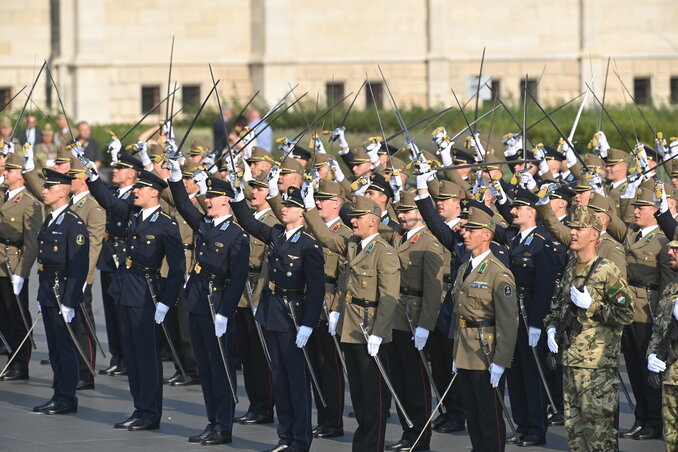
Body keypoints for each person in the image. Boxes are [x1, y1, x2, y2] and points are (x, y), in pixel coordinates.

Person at [87, 164, 185, 431]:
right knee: (132, 354)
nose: (136, 191)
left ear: (154, 193)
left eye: (140, 187)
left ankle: (150, 413)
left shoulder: (166, 224)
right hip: (125, 289)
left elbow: (177, 268)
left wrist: (167, 301)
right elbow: (107, 201)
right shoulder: (132, 213)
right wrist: (93, 177)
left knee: (147, 356)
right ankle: (139, 407)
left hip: (146, 293)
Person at [231, 183, 324, 452]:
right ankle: (285, 438)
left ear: (303, 212)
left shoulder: (309, 245)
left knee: (296, 382)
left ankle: (300, 440)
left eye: (291, 206)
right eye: (284, 205)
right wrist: (239, 198)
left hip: (294, 315)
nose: (285, 209)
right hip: (274, 312)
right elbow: (248, 222)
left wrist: (308, 323)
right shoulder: (277, 235)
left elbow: (316, 288)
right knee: (280, 379)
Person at [168, 162, 249, 446]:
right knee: (205, 367)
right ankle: (212, 421)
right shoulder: (204, 225)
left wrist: (225, 312)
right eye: (207, 196)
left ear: (226, 200)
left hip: (217, 306)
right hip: (198, 302)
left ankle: (223, 427)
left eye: (213, 197)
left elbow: (238, 278)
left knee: (221, 368)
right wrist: (177, 178)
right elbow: (182, 205)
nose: (207, 200)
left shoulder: (237, 235)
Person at [545, 206, 634, 451]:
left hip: (597, 368)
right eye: (572, 227)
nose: (572, 232)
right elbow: (557, 308)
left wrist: (592, 305)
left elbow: (626, 313)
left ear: (594, 235)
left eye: (578, 228)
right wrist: (552, 329)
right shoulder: (570, 268)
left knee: (599, 436)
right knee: (575, 434)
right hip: (570, 362)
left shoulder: (607, 269)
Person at [451, 204, 518, 452]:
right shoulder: (463, 268)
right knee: (473, 414)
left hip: (486, 352)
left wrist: (501, 361)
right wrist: (455, 353)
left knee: (489, 415)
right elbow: (459, 314)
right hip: (465, 349)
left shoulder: (498, 273)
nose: (465, 233)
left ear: (487, 234)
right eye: (465, 229)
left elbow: (509, 322)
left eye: (472, 229)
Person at [32, 168, 89, 415]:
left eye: (49, 187)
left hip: (62, 291)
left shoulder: (73, 223)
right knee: (54, 347)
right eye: (44, 187)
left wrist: (69, 300)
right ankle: (58, 392)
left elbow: (79, 265)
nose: (44, 191)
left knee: (65, 346)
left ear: (63, 191)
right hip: (48, 290)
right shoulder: (51, 218)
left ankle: (67, 397)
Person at [301, 179, 352, 439]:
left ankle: (333, 421)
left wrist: (338, 309)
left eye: (322, 199)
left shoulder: (343, 233)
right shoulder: (311, 230)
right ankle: (322, 418)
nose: (318, 202)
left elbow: (344, 277)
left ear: (336, 204)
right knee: (314, 366)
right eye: (316, 198)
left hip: (330, 302)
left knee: (329, 366)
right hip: (310, 301)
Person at [95, 154, 143, 376]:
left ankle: (127, 356)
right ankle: (117, 355)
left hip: (124, 256)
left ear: (133, 173)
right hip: (109, 256)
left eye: (121, 168)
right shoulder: (115, 193)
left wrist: (93, 179)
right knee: (111, 311)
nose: (115, 171)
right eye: (115, 167)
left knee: (122, 311)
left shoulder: (135, 197)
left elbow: (112, 205)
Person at [235, 170, 276, 425]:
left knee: (261, 353)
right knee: (247, 353)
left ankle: (265, 405)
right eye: (251, 188)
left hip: (258, 292)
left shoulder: (272, 221)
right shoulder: (245, 218)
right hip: (242, 289)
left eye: (260, 188)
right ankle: (254, 403)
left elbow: (268, 264)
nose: (254, 193)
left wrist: (259, 297)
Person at [0, 153, 42, 381]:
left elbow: (32, 242)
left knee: (17, 316)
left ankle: (20, 363)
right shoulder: (3, 196)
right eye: (5, 169)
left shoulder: (29, 203)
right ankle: (10, 357)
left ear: (21, 176)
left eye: (10, 170)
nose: (5, 173)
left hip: (13, 264)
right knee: (3, 317)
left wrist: (22, 273)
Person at [65, 158, 106, 390]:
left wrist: (85, 276)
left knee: (82, 324)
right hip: (66, 272)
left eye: (73, 175)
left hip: (80, 275)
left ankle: (86, 371)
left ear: (84, 179)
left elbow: (94, 245)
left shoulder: (93, 206)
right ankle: (73, 368)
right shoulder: (71, 203)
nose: (70, 179)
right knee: (67, 323)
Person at [647, 229, 678, 451]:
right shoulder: (670, 289)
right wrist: (651, 353)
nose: (670, 251)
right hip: (670, 377)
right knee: (671, 436)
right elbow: (659, 329)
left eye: (677, 249)